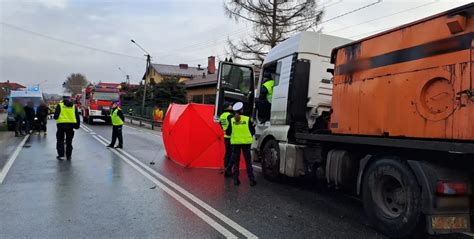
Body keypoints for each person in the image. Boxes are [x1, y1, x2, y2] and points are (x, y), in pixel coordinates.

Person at [226, 102, 256, 186]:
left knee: (236, 162)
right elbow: (253, 131)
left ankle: (236, 179)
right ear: (242, 110)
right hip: (246, 143)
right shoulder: (247, 119)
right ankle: (251, 179)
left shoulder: (232, 120)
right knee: (248, 162)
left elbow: (228, 132)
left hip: (236, 144)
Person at [54, 96, 80, 160]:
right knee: (69, 141)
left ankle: (61, 155)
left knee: (60, 140)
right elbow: (77, 117)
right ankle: (69, 156)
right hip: (71, 126)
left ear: (63, 100)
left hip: (61, 126)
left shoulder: (59, 105)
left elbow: (56, 116)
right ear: (69, 99)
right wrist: (77, 125)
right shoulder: (74, 106)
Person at [219, 102, 234, 177]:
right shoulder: (230, 116)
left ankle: (226, 167)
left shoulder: (222, 116)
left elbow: (221, 125)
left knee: (227, 152)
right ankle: (229, 169)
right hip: (231, 136)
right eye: (230, 105)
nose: (231, 106)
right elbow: (232, 125)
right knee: (232, 153)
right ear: (227, 107)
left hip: (225, 136)